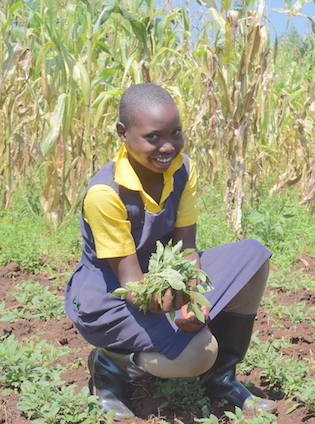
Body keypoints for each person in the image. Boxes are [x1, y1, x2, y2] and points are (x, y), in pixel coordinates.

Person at [64, 83, 276, 420]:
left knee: (253, 256)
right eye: (153, 137)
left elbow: (186, 248)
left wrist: (191, 296)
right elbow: (132, 286)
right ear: (123, 132)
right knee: (198, 353)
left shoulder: (182, 168)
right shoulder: (105, 193)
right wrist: (182, 304)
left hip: (165, 280)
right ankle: (111, 363)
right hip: (111, 295)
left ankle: (221, 379)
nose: (167, 146)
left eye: (175, 133)